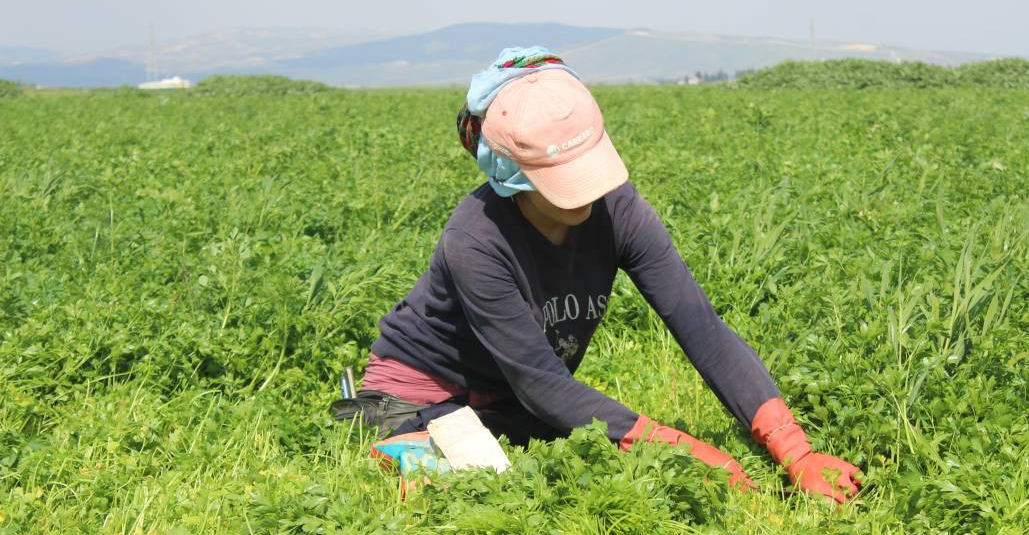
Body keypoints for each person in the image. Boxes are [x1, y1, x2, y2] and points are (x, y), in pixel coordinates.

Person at [334, 46, 861, 503]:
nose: (584, 192)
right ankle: (410, 441)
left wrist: (795, 450)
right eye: (562, 178)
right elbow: (542, 384)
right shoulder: (476, 240)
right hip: (421, 396)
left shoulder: (618, 209)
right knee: (519, 472)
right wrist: (684, 449)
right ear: (511, 176)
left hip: (515, 398)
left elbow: (703, 329)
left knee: (560, 442)